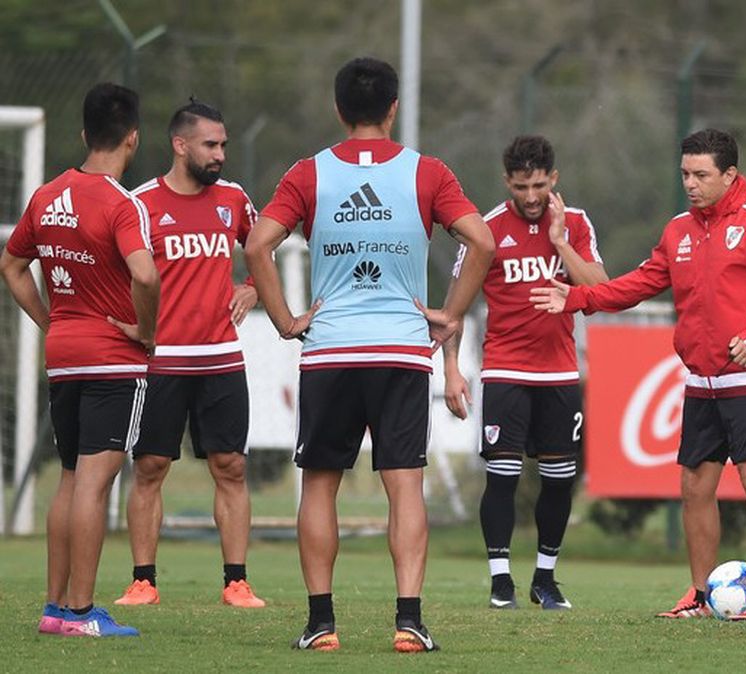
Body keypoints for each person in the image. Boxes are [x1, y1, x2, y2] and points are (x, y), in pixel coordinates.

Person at [245, 57, 494, 653]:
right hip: (401, 351)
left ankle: (320, 624)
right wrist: (452, 313)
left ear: (338, 110)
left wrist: (285, 321)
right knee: (404, 485)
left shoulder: (308, 174)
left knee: (320, 485)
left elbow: (258, 244)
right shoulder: (426, 172)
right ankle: (409, 621)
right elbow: (481, 240)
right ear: (393, 108)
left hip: (330, 350)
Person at [531, 128, 746, 623]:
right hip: (701, 381)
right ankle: (702, 596)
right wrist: (576, 298)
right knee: (694, 487)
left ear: (729, 174)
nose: (691, 183)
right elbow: (639, 283)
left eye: (701, 175)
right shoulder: (679, 230)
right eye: (685, 173)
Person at [0, 83, 159, 637]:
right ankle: (81, 611)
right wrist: (147, 329)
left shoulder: (46, 195)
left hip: (63, 354)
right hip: (114, 357)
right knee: (96, 482)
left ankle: (53, 607)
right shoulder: (123, 203)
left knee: (70, 479)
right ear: (132, 138)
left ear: (85, 134)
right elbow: (145, 273)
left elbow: (12, 265)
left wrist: (50, 321)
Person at [443, 135, 608, 610]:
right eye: (521, 186)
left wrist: (559, 242)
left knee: (559, 479)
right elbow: (456, 305)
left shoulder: (574, 223)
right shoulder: (487, 229)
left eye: (538, 185)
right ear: (506, 182)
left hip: (559, 374)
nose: (531, 197)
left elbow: (600, 289)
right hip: (505, 371)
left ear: (553, 179)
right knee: (503, 476)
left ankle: (545, 579)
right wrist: (452, 368)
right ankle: (500, 582)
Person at [112, 99, 265, 609]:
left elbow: (264, 246)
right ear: (180, 145)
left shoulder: (235, 198)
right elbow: (123, 274)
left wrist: (252, 288)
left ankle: (237, 582)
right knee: (150, 466)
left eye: (222, 144)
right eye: (210, 144)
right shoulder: (139, 203)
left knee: (231, 467)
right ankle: (143, 581)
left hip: (222, 357)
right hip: (161, 361)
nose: (220, 153)